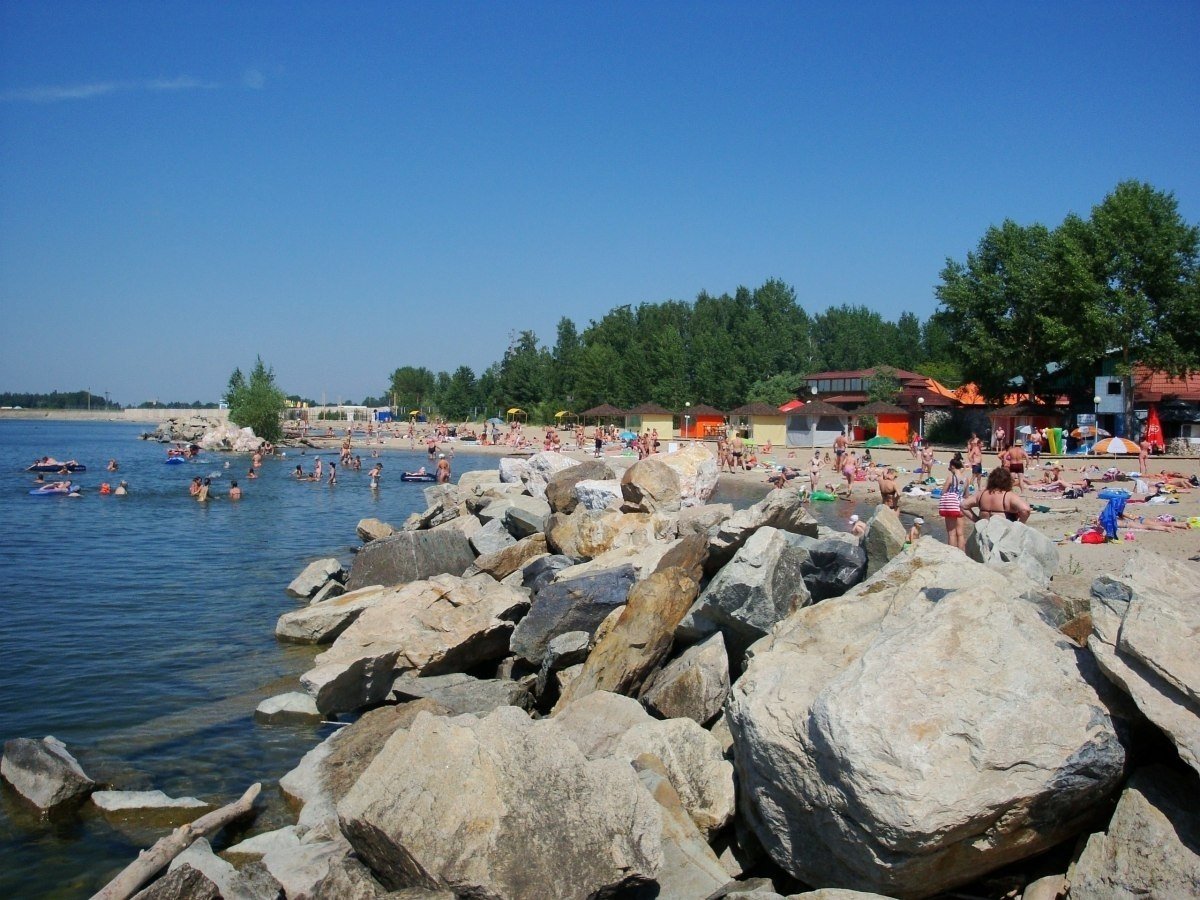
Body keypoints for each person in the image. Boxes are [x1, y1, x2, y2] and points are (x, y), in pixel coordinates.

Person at [961, 467, 1032, 524]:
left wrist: (977, 521)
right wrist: (1020, 524)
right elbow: (1026, 510)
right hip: (1004, 535)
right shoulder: (1008, 496)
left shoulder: (981, 494)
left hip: (984, 532)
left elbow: (963, 505)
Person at [938, 454, 967, 550]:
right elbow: (966, 495)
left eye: (950, 466)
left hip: (951, 505)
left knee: (951, 533)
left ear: (953, 466)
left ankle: (952, 555)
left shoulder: (951, 478)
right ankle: (962, 554)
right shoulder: (966, 479)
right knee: (961, 533)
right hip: (961, 505)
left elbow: (943, 492)